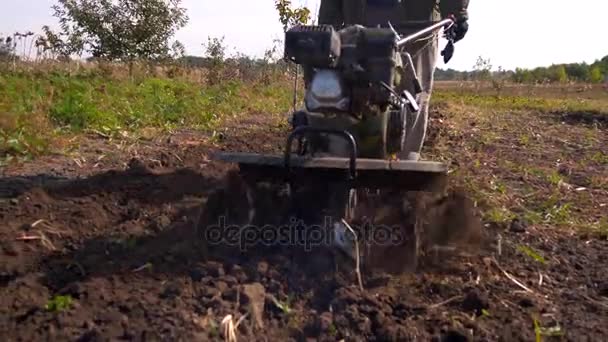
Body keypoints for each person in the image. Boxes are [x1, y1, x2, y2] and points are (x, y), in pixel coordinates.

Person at [315, 0, 469, 160]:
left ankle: (403, 172)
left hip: (417, 28)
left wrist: (458, 13)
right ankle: (347, 169)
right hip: (359, 26)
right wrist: (326, 30)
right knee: (351, 100)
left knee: (410, 103)